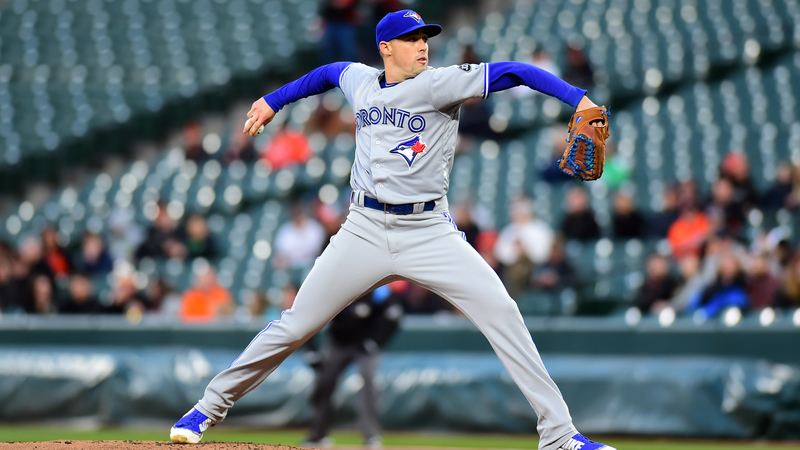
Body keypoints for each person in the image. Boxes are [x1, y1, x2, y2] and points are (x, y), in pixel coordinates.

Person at [170, 10, 615, 450]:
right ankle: (207, 408)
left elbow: (513, 72)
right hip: (363, 227)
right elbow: (325, 73)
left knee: (503, 313)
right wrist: (274, 100)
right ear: (386, 47)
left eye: (425, 37)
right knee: (295, 324)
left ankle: (559, 435)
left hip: (427, 230)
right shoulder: (360, 79)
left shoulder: (441, 83)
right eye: (411, 38)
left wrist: (578, 98)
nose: (423, 45)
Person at [304, 284, 403, 448]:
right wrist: (310, 350)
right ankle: (317, 434)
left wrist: (375, 341)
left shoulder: (377, 288)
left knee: (369, 382)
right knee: (324, 381)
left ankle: (371, 435)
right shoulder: (333, 287)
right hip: (338, 342)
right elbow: (310, 317)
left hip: (365, 345)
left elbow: (394, 316)